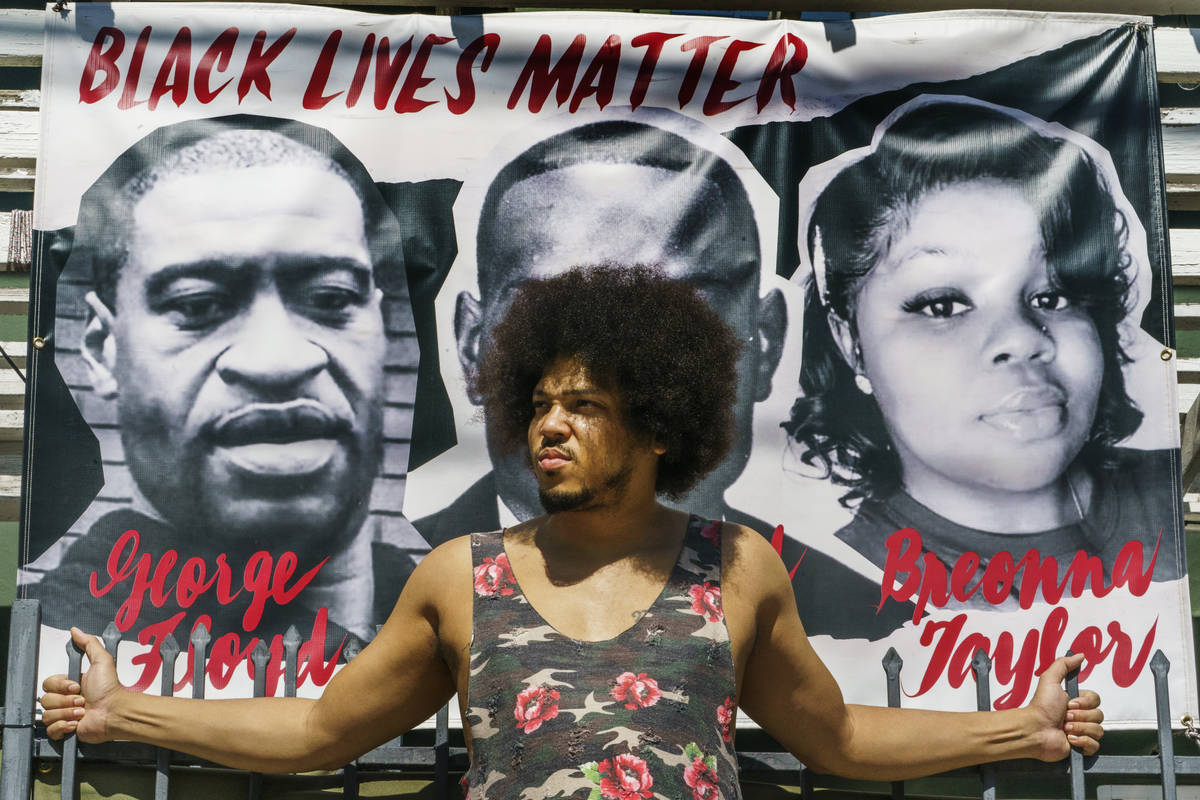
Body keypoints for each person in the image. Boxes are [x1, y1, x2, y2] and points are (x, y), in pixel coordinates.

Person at [41, 265, 1103, 798]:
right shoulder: (462, 578)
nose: (550, 424)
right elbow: (323, 731)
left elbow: (837, 738)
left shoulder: (737, 569)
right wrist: (125, 709)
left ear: (656, 426)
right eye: (540, 403)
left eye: (585, 405)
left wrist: (1025, 730)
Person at [411, 117, 911, 638]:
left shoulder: (871, 628)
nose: (614, 368)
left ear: (764, 342)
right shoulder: (402, 589)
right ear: (473, 346)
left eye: (678, 318)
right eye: (548, 315)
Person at [22, 115, 419, 646]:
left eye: (331, 299)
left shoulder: (457, 612)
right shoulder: (49, 644)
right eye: (197, 304)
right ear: (101, 350)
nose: (277, 361)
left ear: (383, 330)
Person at [786, 96, 1183, 601]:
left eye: (1051, 295)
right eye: (942, 305)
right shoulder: (832, 590)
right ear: (851, 344)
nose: (1021, 338)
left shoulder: (1180, 501)